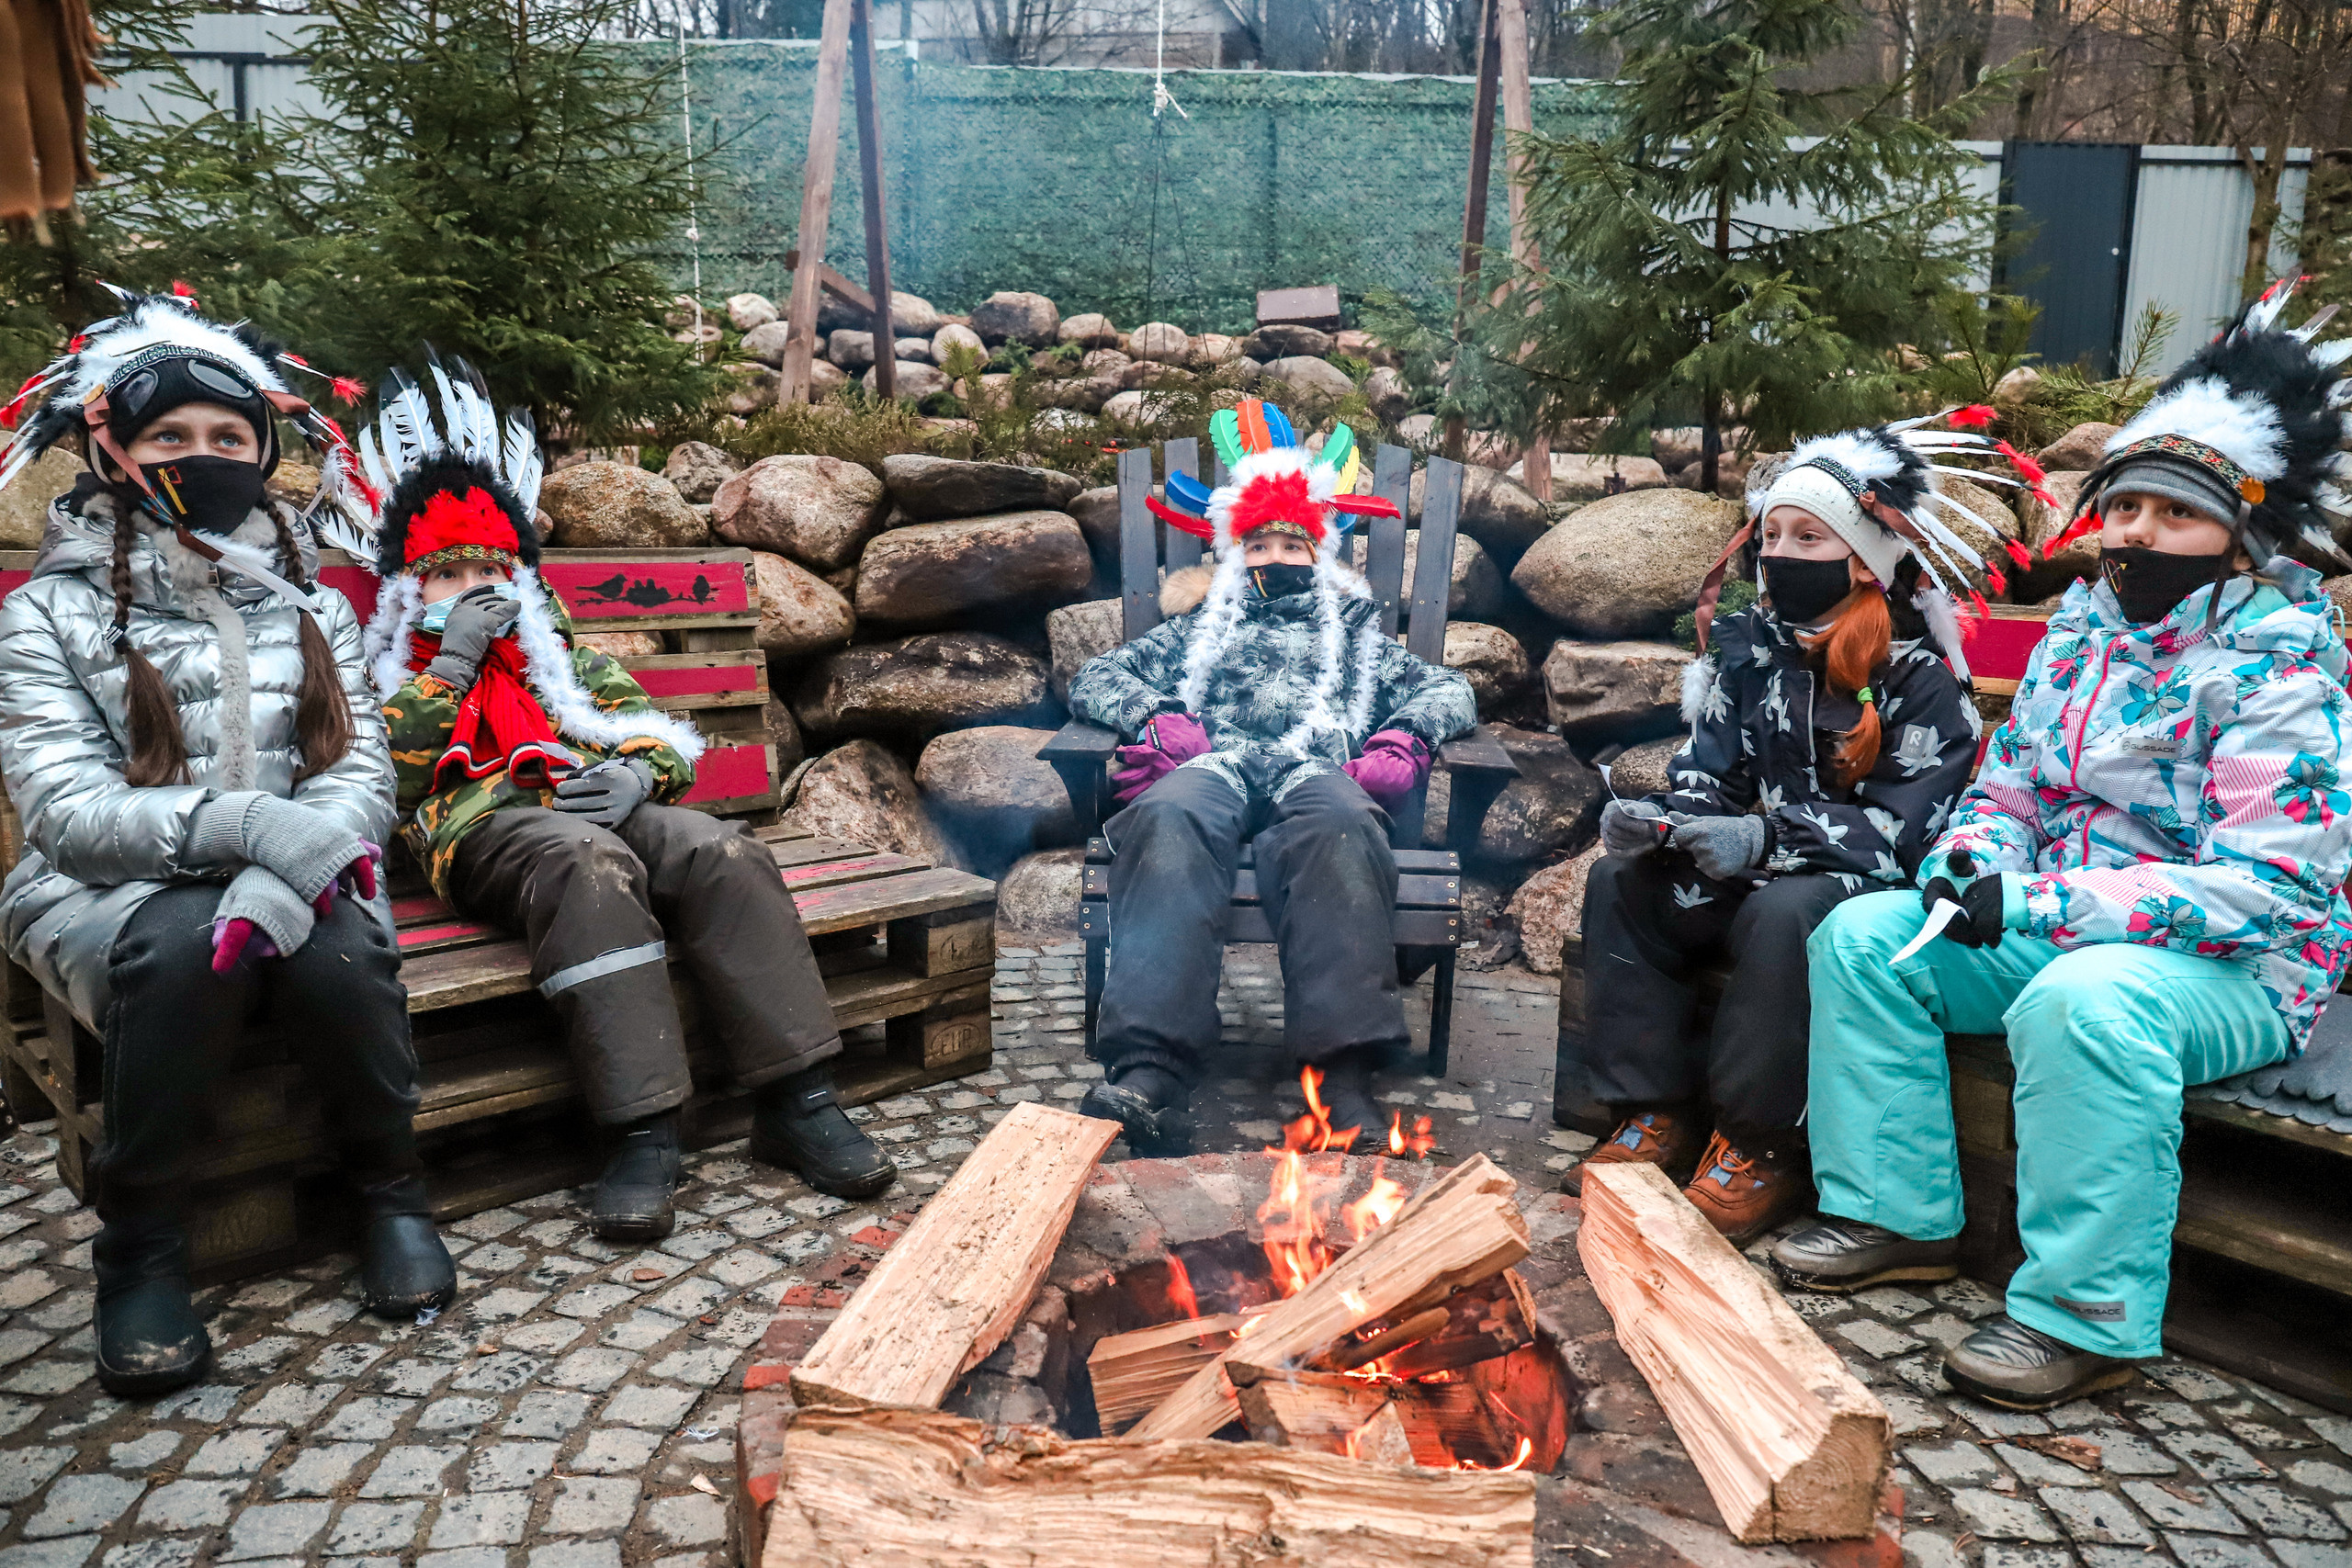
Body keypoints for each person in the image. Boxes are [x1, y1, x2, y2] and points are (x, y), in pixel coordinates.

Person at [1776, 283, 2352, 1409]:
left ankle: (2082, 1314)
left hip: (2239, 969)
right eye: (2123, 506)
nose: (2137, 533)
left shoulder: (2280, 674)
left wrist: (2040, 904)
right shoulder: (2081, 634)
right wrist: (1970, 857)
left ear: (2238, 537)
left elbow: (2270, 889)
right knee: (1867, 938)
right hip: (2068, 923)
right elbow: (2014, 786)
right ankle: (1896, 1215)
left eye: (2174, 514)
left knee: (2082, 1003)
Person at [0, 288, 453, 1395]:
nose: (202, 456)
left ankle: (388, 1190)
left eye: (228, 437)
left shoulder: (311, 603)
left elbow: (356, 771)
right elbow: (63, 809)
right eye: (169, 437)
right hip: (102, 887)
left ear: (263, 453)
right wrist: (246, 827)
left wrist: (295, 866)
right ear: (109, 451)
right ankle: (142, 1247)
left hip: (302, 866)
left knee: (341, 950)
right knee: (184, 948)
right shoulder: (44, 615)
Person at [360, 364, 891, 1242]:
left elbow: (649, 729)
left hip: (592, 803)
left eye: (491, 566)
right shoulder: (386, 665)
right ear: (413, 586)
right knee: (589, 864)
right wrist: (451, 664)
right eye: (449, 573)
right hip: (486, 829)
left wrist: (641, 775)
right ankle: (643, 1132)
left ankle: (799, 1099)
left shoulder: (558, 657)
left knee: (721, 849)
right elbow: (383, 775)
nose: (477, 586)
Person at [1565, 416, 2028, 1242]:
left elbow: (1902, 831)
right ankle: (1653, 1110)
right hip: (1762, 867)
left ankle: (1757, 1145)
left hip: (1862, 885)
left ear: (1863, 560)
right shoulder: (1752, 654)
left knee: (1786, 914)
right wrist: (1665, 820)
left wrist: (1766, 840)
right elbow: (1711, 775)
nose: (1781, 553)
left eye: (1809, 537)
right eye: (1771, 534)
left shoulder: (1920, 680)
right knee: (1623, 879)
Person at [1069, 400, 1476, 1154]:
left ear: (1319, 550)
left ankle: (1341, 1077)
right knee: (1167, 818)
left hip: (1315, 767)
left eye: (1294, 542)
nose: (1276, 556)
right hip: (1213, 764)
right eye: (1257, 544)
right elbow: (1096, 676)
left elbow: (1450, 689)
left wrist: (1405, 737)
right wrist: (1155, 717)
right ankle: (1152, 1070)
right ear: (1231, 552)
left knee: (1343, 827)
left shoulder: (1356, 634)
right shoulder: (1197, 626)